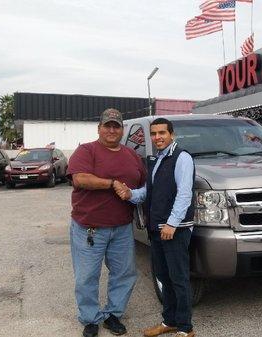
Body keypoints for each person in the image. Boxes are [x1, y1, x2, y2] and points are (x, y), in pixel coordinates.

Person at [67, 108, 146, 337]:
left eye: (116, 126)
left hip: (122, 228)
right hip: (90, 228)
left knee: (124, 273)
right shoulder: (86, 150)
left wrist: (135, 195)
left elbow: (142, 185)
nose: (112, 130)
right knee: (86, 277)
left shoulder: (132, 156)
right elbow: (80, 178)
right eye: (107, 125)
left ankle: (113, 315)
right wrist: (112, 183)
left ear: (122, 129)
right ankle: (90, 319)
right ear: (99, 128)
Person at [116, 118, 196, 337]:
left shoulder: (182, 157)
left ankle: (185, 329)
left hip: (174, 229)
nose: (157, 137)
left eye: (162, 132)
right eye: (154, 133)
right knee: (164, 276)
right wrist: (130, 194)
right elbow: (149, 192)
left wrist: (172, 223)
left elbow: (184, 193)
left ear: (172, 134)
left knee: (178, 278)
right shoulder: (157, 160)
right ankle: (169, 321)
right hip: (157, 228)